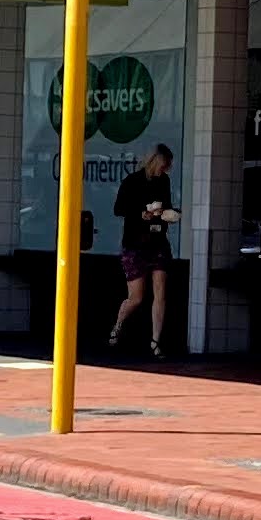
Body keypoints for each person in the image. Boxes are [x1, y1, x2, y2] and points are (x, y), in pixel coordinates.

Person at [107, 141, 178, 358]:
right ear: (155, 161)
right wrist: (141, 213)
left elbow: (166, 204)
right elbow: (118, 209)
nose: (164, 170)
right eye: (163, 165)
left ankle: (155, 341)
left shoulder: (163, 181)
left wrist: (167, 214)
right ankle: (118, 325)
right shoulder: (132, 181)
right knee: (136, 297)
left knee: (160, 291)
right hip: (136, 243)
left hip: (157, 241)